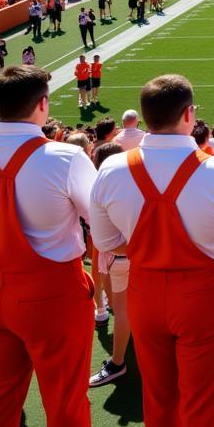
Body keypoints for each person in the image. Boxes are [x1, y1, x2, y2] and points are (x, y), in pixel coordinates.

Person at [89, 74, 214, 427]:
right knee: (206, 402)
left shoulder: (112, 169)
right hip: (206, 293)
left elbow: (105, 240)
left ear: (144, 117)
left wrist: (151, 251)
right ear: (189, 113)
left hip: (145, 291)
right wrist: (211, 273)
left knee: (159, 395)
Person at [0, 66, 111, 427]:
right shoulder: (66, 156)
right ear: (42, 104)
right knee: (64, 391)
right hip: (52, 295)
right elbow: (101, 223)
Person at [89, 141, 131, 389]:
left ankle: (117, 362)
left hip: (117, 256)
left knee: (121, 308)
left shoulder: (98, 186)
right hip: (137, 255)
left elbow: (102, 240)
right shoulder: (136, 181)